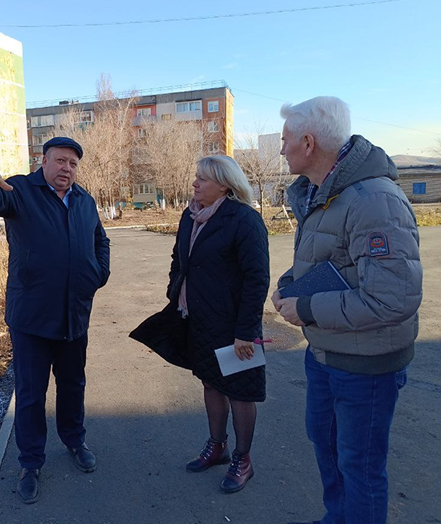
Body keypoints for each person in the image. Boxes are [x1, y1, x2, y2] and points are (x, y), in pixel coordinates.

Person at [272, 96, 422, 524]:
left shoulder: (374, 200)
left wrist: (306, 307)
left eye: (284, 140)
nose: (281, 149)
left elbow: (392, 299)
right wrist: (290, 284)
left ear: (307, 141)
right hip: (326, 353)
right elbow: (331, 260)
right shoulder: (325, 193)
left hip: (366, 367)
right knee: (328, 447)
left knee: (360, 468)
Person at [0, 137, 110, 505]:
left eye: (73, 164)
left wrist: (99, 273)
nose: (67, 168)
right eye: (60, 161)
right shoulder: (20, 190)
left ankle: (75, 441)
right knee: (31, 393)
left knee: (73, 383)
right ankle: (30, 463)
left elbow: (100, 240)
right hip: (31, 316)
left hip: (74, 312)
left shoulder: (84, 200)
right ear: (43, 161)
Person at [164, 155, 270, 493]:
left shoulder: (244, 221)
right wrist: (175, 290)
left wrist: (246, 333)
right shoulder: (191, 216)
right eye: (195, 177)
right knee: (211, 384)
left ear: (225, 184)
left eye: (203, 179)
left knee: (241, 394)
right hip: (200, 321)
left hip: (237, 327)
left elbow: (257, 279)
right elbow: (179, 258)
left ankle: (243, 458)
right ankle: (217, 446)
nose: (195, 183)